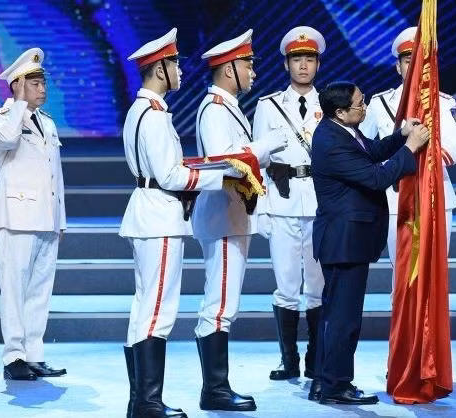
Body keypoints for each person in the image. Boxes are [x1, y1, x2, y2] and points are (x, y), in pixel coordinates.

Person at [119, 28, 244, 418]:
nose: (180, 70)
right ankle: (147, 401)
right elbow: (170, 176)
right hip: (159, 215)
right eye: (173, 63)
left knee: (145, 308)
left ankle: (142, 399)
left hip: (152, 213)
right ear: (159, 69)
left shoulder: (144, 110)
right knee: (158, 310)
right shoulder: (153, 115)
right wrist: (223, 176)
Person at [309, 81, 429, 404]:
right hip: (344, 241)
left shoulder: (343, 132)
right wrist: (411, 149)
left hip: (346, 239)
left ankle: (323, 380)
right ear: (340, 112)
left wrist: (400, 135)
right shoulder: (331, 142)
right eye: (359, 104)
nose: (365, 108)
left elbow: (371, 152)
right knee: (344, 318)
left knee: (336, 314)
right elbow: (376, 176)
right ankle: (337, 385)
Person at [191, 29, 288, 411]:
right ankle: (215, 389)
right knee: (219, 304)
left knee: (223, 302)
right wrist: (263, 147)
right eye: (247, 64)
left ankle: (217, 386)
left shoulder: (226, 106)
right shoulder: (215, 108)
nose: (252, 72)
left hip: (232, 214)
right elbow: (222, 159)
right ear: (229, 69)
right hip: (223, 215)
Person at [0, 48, 67, 381]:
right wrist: (19, 103)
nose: (42, 88)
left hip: (47, 217)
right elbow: (6, 141)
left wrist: (60, 218)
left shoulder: (46, 121)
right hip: (17, 217)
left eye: (42, 81)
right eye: (34, 82)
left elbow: (54, 174)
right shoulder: (0, 118)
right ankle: (13, 356)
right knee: (15, 290)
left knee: (39, 291)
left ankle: (33, 353)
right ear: (18, 85)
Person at [252, 26, 325, 382]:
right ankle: (289, 359)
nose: (303, 66)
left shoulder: (329, 103)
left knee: (317, 284)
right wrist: (260, 208)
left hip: (319, 202)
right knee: (285, 284)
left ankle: (315, 358)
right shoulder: (267, 106)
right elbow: (256, 161)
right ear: (286, 64)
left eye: (309, 59)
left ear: (317, 63)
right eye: (297, 59)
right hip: (280, 201)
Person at [360, 26, 456, 265]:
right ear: (398, 67)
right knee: (402, 268)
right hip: (394, 196)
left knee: (433, 268)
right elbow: (362, 149)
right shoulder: (379, 103)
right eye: (408, 61)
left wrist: (407, 151)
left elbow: (452, 153)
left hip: (435, 193)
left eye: (420, 61)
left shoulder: (445, 103)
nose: (414, 67)